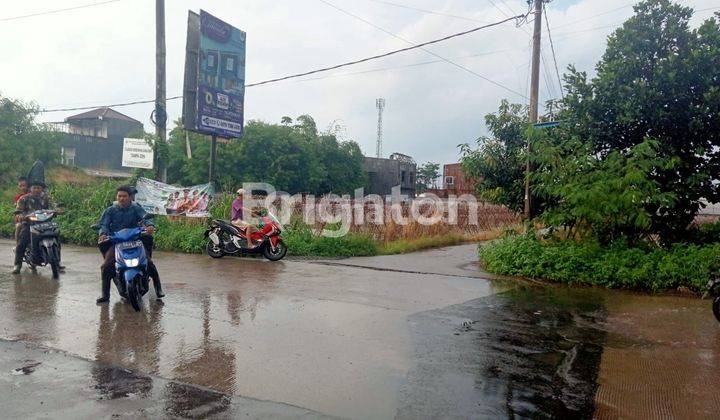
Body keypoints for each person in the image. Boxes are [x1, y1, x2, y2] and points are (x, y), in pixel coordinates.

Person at [96, 185, 162, 304]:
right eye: (119, 196)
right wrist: (103, 233)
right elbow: (104, 224)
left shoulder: (136, 208)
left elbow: (145, 217)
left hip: (136, 241)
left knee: (149, 263)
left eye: (124, 196)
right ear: (117, 197)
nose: (122, 198)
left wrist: (149, 225)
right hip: (117, 243)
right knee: (105, 266)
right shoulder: (110, 210)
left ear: (130, 197)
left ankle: (159, 289)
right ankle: (105, 295)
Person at [12, 180, 52, 274]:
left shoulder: (46, 198)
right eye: (34, 188)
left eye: (39, 188)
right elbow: (18, 211)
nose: (37, 190)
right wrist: (20, 216)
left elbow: (55, 206)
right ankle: (17, 264)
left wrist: (59, 210)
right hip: (29, 224)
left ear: (42, 189)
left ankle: (56, 260)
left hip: (45, 224)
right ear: (30, 189)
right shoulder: (24, 199)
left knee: (56, 235)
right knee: (22, 242)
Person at [13, 177, 29, 242]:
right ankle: (17, 245)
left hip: (35, 216)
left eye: (24, 185)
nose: (23, 187)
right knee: (18, 226)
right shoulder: (18, 197)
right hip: (22, 218)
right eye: (20, 186)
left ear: (28, 185)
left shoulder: (34, 193)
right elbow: (16, 207)